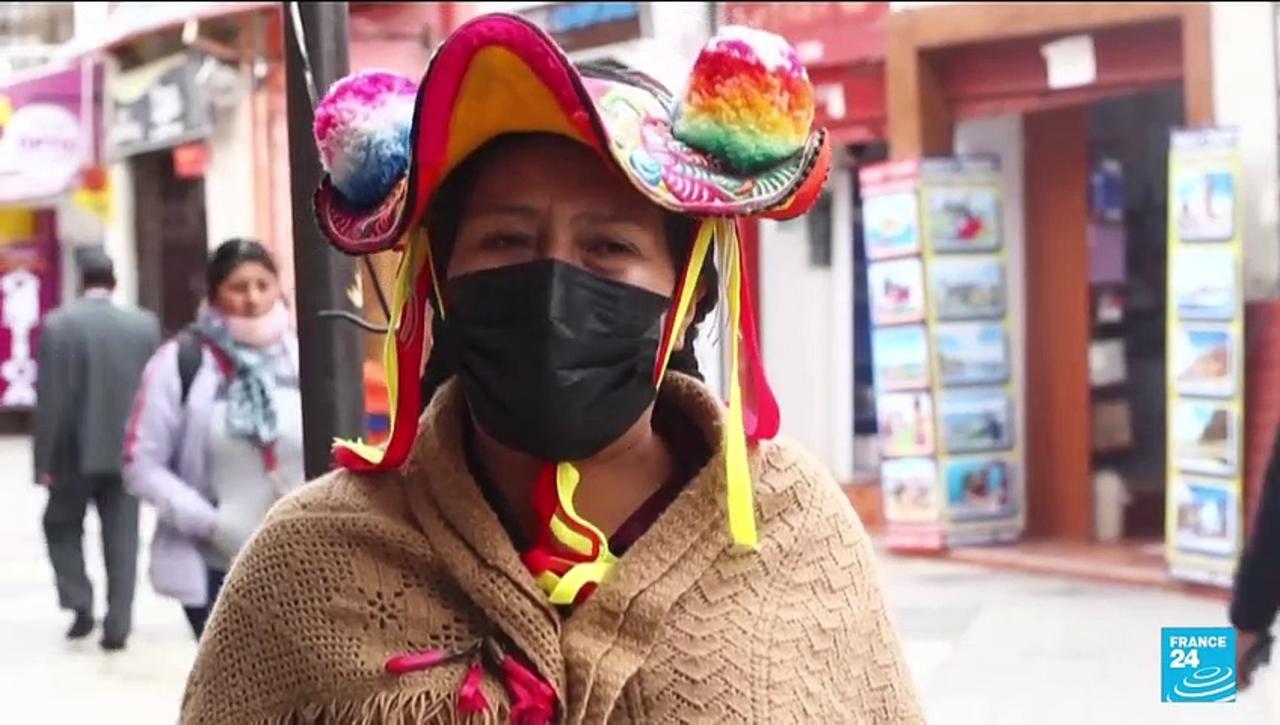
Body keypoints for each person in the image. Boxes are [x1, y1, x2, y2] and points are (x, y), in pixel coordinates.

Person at [182, 16, 922, 723]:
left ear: (686, 292)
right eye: (506, 239)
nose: (553, 286)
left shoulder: (792, 527)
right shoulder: (309, 559)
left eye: (608, 248)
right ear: (440, 278)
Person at [123, 238, 303, 641]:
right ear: (215, 294)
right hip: (216, 568)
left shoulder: (304, 355)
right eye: (238, 287)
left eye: (263, 284)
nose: (253, 298)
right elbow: (141, 463)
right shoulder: (181, 363)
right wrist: (212, 523)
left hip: (302, 560)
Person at [33, 248, 161, 651]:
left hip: (72, 455)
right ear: (114, 280)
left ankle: (80, 603)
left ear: (80, 279)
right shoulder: (144, 326)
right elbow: (155, 395)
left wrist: (43, 463)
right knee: (123, 538)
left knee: (60, 525)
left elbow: (50, 399)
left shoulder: (58, 326)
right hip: (126, 454)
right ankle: (118, 622)